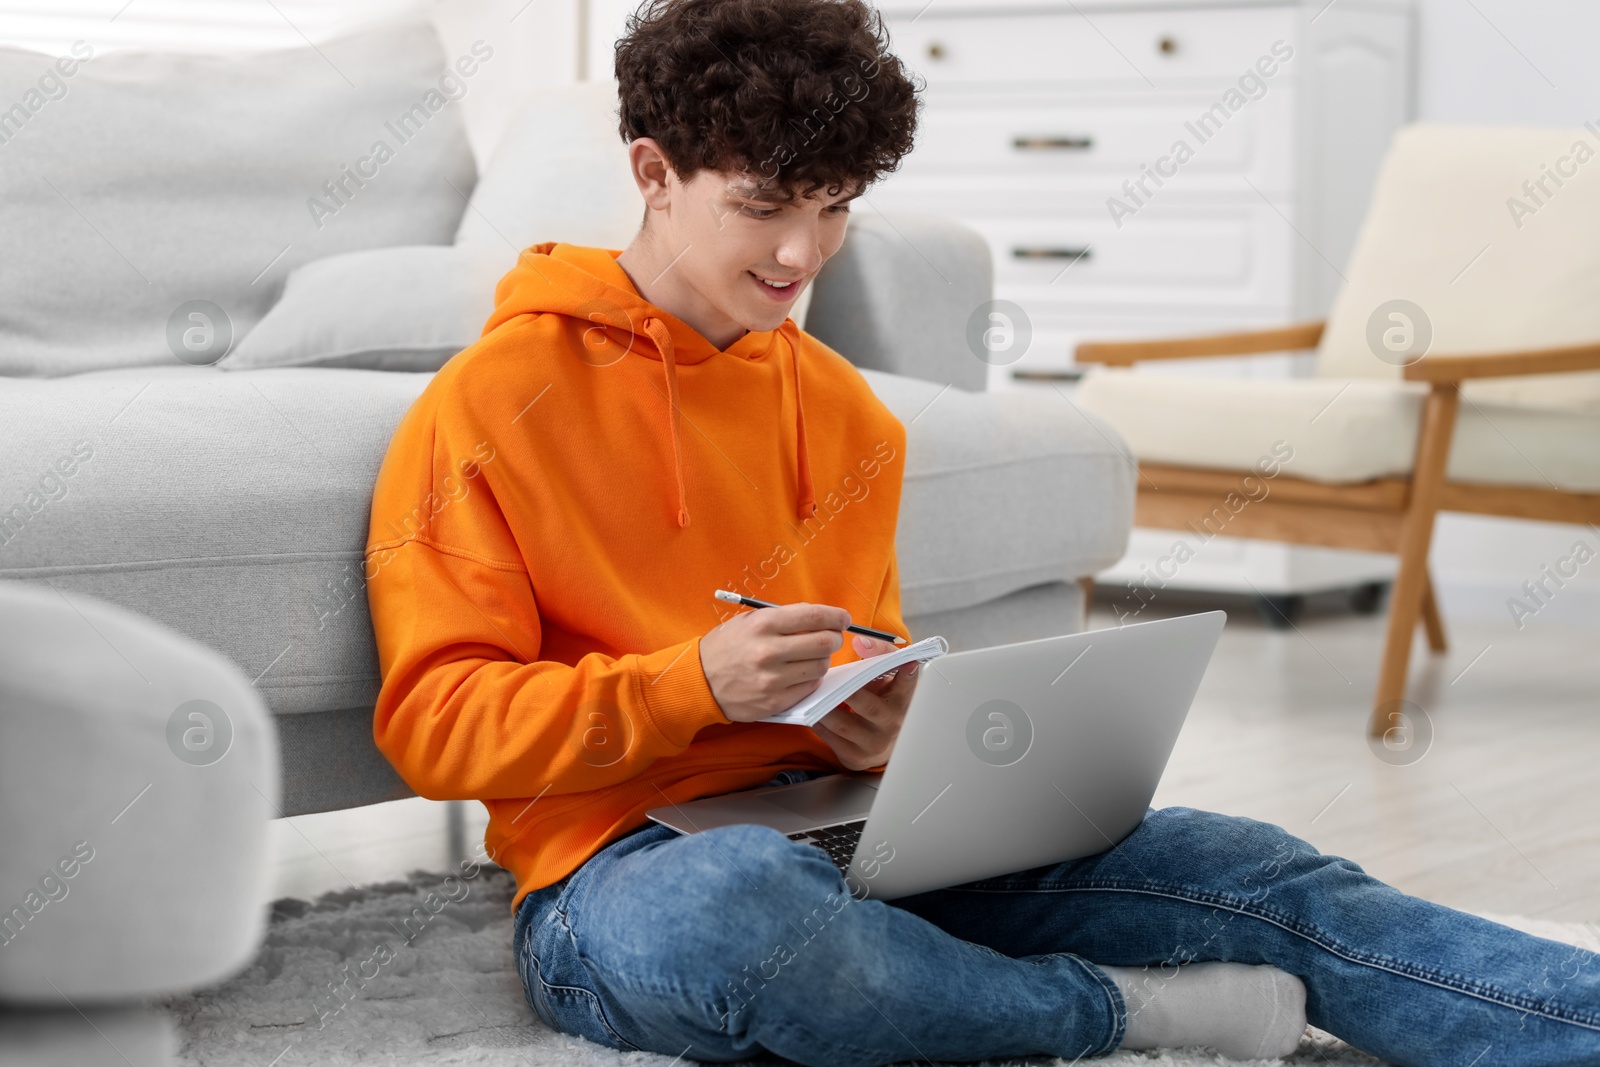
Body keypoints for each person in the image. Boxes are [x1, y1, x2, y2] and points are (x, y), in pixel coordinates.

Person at [361, 0, 1600, 1063]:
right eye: (765, 206)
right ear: (652, 172)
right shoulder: (490, 400)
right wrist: (691, 685)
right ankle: (1116, 1009)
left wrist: (898, 723)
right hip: (625, 873)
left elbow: (867, 656)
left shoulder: (848, 413)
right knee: (742, 914)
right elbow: (433, 725)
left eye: (837, 206)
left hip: (862, 837)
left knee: (1258, 866)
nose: (804, 252)